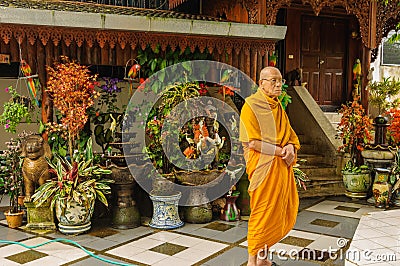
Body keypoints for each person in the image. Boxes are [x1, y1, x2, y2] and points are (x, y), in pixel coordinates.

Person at [239, 66, 300, 266]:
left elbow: (289, 135)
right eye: (272, 80)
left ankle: (263, 259)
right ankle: (251, 261)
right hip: (262, 168)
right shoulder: (251, 106)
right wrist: (281, 151)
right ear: (261, 82)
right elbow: (253, 142)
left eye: (280, 80)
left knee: (274, 213)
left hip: (280, 168)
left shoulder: (278, 107)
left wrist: (290, 147)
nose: (277, 84)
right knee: (261, 213)